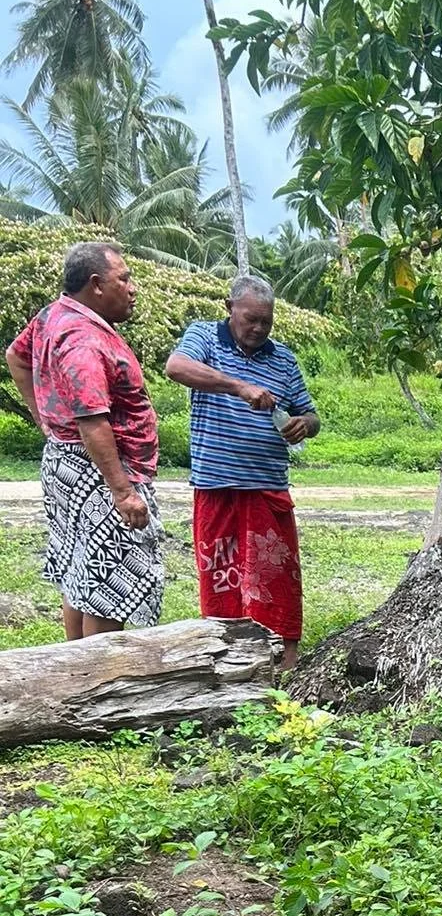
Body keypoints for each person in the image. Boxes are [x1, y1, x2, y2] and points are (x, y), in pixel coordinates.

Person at [5, 240, 163, 638]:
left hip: (67, 462)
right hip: (99, 473)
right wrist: (123, 493)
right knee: (106, 587)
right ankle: (97, 672)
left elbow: (16, 357)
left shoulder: (53, 315)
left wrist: (45, 417)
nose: (132, 288)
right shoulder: (83, 339)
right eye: (123, 279)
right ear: (96, 284)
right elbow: (93, 422)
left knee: (82, 572)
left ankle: (74, 663)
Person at [165, 275, 320, 670]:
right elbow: (176, 367)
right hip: (216, 484)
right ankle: (227, 660)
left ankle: (283, 661)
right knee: (222, 576)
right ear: (230, 309)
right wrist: (238, 386)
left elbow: (311, 414)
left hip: (267, 486)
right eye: (251, 319)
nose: (259, 328)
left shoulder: (283, 359)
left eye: (266, 321)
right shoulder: (204, 337)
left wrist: (304, 425)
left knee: (276, 576)